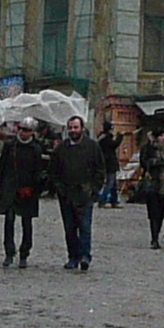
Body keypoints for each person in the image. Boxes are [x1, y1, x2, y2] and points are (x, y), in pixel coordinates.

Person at [0, 120, 49, 268]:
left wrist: (36, 188)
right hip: (10, 189)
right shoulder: (10, 146)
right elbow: (1, 168)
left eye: (27, 130)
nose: (23, 133)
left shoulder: (36, 149)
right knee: (9, 221)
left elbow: (38, 171)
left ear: (32, 132)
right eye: (22, 129)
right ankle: (9, 252)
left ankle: (24, 253)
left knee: (26, 223)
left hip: (28, 191)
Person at [53, 116, 105, 271]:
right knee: (69, 228)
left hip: (84, 194)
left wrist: (94, 189)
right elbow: (53, 171)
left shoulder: (92, 147)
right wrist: (60, 189)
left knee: (84, 226)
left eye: (76, 127)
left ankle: (85, 256)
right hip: (67, 194)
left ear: (82, 128)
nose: (73, 131)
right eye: (70, 128)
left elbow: (100, 169)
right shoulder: (61, 149)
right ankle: (72, 257)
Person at [138, 128, 164, 248]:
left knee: (161, 213)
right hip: (151, 184)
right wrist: (156, 162)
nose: (163, 138)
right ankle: (154, 239)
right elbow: (143, 162)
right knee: (153, 213)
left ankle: (156, 235)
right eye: (161, 135)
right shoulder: (147, 148)